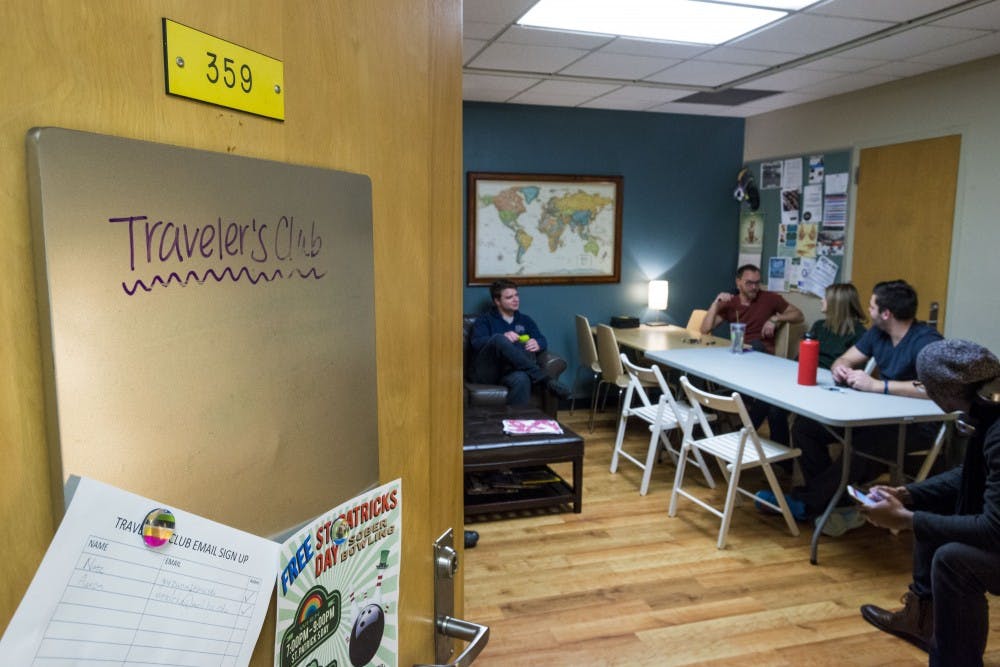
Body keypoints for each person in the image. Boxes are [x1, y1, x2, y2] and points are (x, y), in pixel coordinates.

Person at [859, 339, 1000, 666]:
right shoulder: (987, 412)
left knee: (954, 560)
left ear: (945, 390)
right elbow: (969, 474)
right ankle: (921, 621)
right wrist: (909, 495)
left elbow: (994, 528)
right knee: (934, 509)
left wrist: (905, 519)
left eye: (924, 384)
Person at [786, 279, 943, 523]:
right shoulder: (878, 333)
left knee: (862, 445)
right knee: (807, 428)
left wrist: (878, 385)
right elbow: (845, 359)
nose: (868, 311)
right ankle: (831, 500)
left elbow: (933, 386)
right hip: (878, 415)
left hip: (917, 426)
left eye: (871, 306)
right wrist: (841, 369)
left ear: (886, 313)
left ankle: (808, 503)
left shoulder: (926, 341)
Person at [764, 283, 867, 447]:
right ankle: (783, 463)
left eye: (825, 298)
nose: (821, 301)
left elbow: (851, 373)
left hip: (831, 389)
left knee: (802, 426)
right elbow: (802, 358)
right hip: (807, 380)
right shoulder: (819, 326)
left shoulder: (861, 335)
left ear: (836, 304)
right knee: (773, 408)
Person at [469, 279, 570, 406]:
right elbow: (476, 343)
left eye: (516, 295)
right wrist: (502, 336)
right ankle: (543, 379)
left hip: (511, 371)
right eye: (509, 297)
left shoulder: (525, 320)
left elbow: (542, 339)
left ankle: (515, 422)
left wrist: (538, 343)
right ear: (497, 301)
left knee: (522, 379)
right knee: (499, 339)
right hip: (488, 372)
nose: (515, 299)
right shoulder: (484, 320)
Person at [700, 264, 804, 355]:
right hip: (738, 350)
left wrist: (776, 318)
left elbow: (799, 315)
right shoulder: (730, 302)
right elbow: (704, 330)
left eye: (757, 283)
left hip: (761, 353)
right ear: (738, 282)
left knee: (756, 345)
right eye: (749, 283)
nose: (754, 287)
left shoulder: (770, 298)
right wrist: (715, 304)